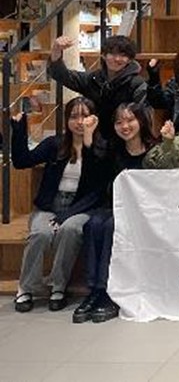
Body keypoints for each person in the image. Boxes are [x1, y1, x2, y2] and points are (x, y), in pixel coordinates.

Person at [10, 98, 110, 314]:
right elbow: (21, 161)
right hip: (50, 205)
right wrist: (19, 130)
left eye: (85, 116)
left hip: (82, 206)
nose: (79, 122)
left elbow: (97, 189)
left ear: (94, 119)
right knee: (40, 234)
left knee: (70, 230)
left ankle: (58, 286)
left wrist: (89, 141)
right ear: (66, 120)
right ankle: (26, 288)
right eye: (74, 116)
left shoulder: (103, 148)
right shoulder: (54, 144)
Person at [77, 102, 156, 324]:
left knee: (112, 227)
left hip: (143, 212)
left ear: (141, 121)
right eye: (119, 122)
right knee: (93, 224)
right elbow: (93, 172)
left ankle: (107, 292)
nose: (125, 126)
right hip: (114, 206)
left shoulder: (155, 149)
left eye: (130, 120)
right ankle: (93, 290)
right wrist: (88, 136)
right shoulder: (113, 150)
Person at [48, 34, 147, 140]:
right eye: (112, 54)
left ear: (130, 60)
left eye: (123, 55)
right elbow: (62, 75)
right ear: (103, 55)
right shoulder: (92, 79)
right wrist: (56, 50)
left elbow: (142, 116)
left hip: (124, 139)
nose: (117, 59)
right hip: (92, 139)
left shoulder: (137, 84)